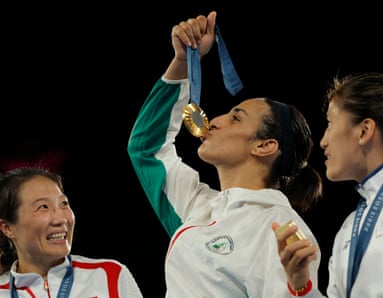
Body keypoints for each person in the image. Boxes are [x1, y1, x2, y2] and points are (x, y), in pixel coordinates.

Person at [127, 10, 323, 297]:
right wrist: (183, 63)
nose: (215, 120)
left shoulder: (278, 227)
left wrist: (300, 288)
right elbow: (147, 148)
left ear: (264, 146)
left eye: (236, 118)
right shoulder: (201, 209)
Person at [272, 72, 383, 297]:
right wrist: (301, 285)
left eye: (330, 124)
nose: (323, 141)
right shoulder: (350, 226)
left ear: (364, 131)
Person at [0, 166, 144, 297]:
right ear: (7, 228)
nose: (61, 218)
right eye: (43, 207)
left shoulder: (109, 276)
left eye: (64, 204)